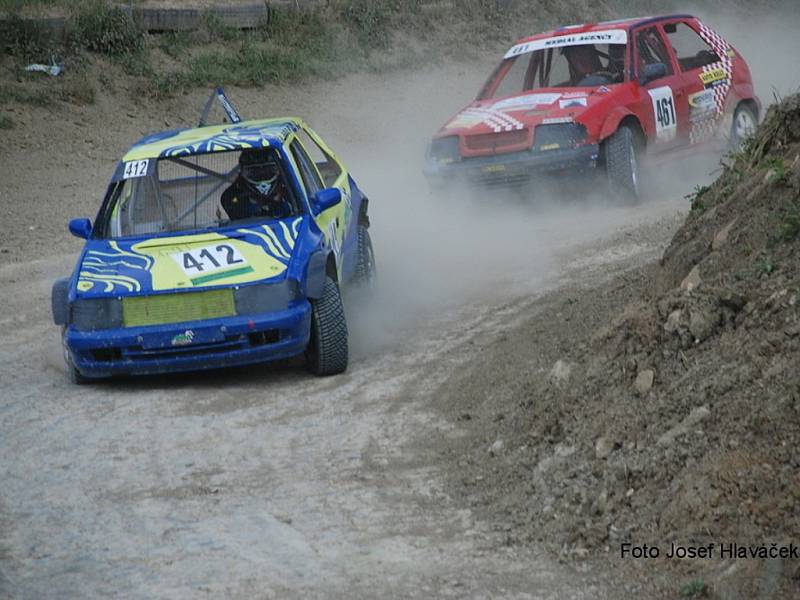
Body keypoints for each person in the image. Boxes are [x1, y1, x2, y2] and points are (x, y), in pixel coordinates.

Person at [221, 149, 293, 221]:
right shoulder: (230, 197)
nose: (262, 175)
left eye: (268, 170)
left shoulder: (293, 192)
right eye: (254, 171)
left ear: (279, 169)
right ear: (242, 173)